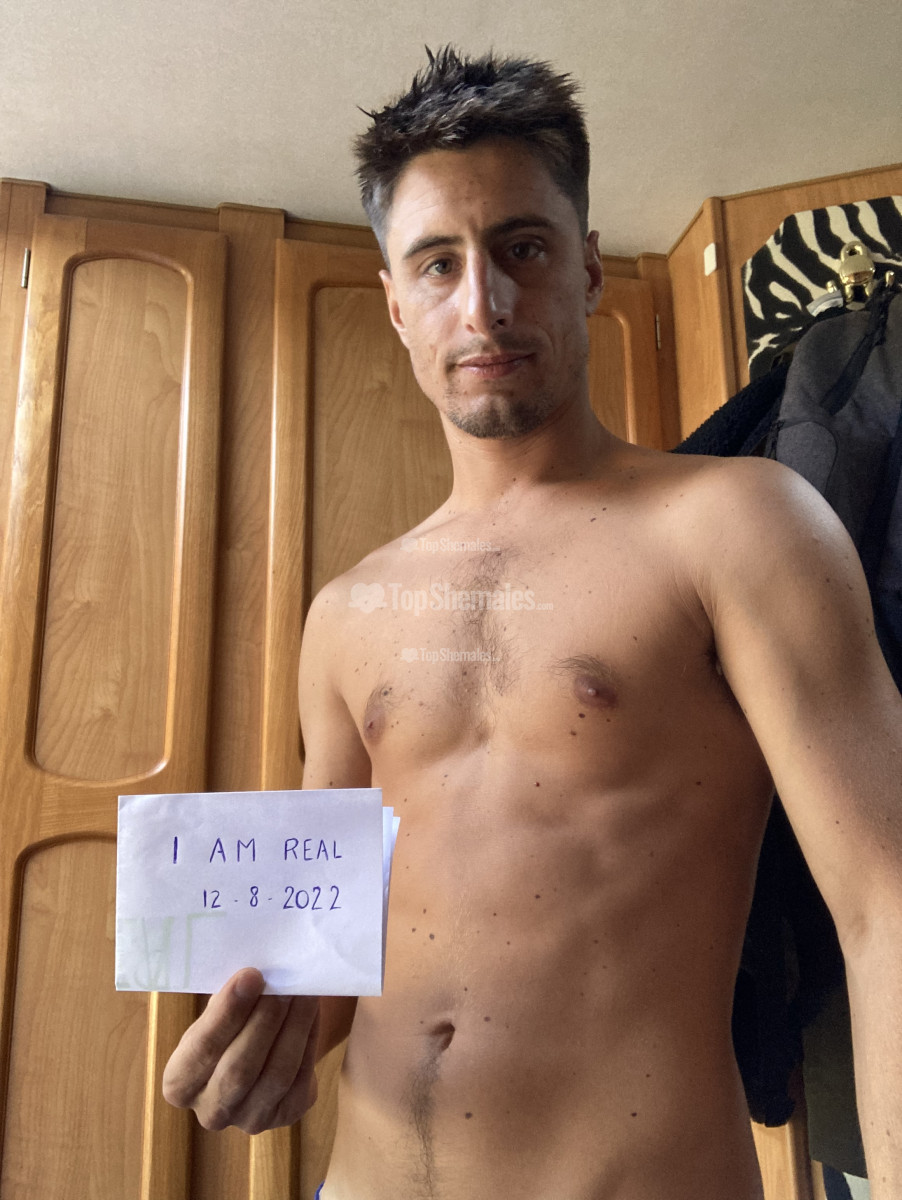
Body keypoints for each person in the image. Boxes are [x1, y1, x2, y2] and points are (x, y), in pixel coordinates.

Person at [162, 47, 902, 1200]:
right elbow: (323, 960)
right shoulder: (344, 613)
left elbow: (882, 902)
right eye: (437, 264)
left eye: (521, 248)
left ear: (586, 267)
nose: (484, 304)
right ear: (395, 303)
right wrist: (257, 1038)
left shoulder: (736, 526)